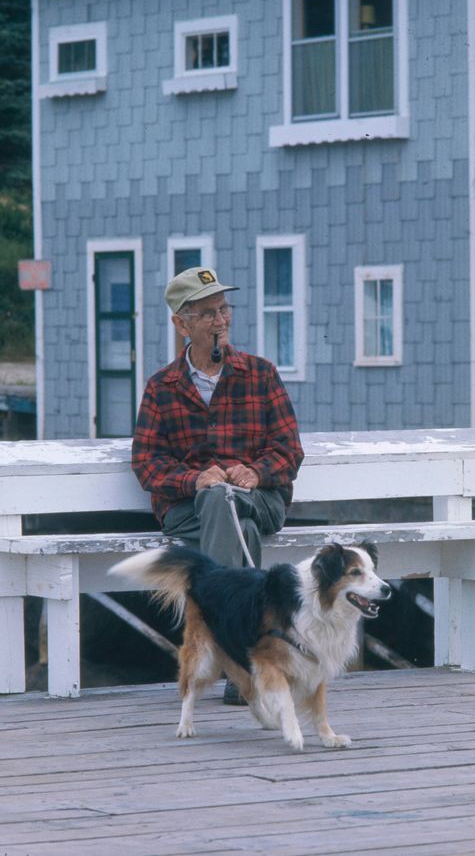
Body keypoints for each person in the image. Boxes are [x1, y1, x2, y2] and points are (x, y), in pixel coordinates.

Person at [131, 266, 304, 703]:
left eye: (224, 309)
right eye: (208, 313)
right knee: (221, 509)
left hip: (258, 499)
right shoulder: (162, 388)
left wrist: (257, 472)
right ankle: (247, 661)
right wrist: (194, 479)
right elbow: (147, 464)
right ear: (181, 324)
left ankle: (226, 649)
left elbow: (289, 449)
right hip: (191, 507)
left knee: (229, 504)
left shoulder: (260, 374)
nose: (221, 320)